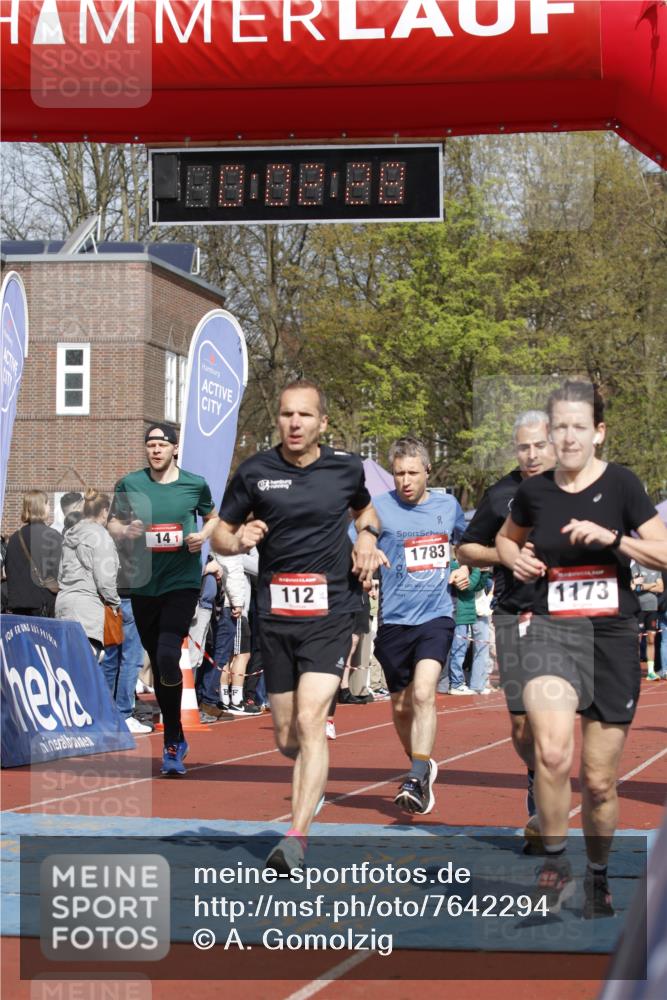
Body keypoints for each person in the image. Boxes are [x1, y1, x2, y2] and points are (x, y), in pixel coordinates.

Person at [496, 380, 667, 917]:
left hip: (612, 639)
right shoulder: (534, 491)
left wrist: (614, 540)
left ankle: (597, 874)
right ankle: (554, 863)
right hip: (552, 630)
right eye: (559, 427)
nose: (567, 437)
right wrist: (513, 558)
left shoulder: (623, 486)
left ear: (598, 432)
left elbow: (663, 553)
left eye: (578, 426)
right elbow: (506, 537)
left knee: (597, 781)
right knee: (550, 752)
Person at [213, 380, 387, 872]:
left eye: (305, 416)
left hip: (331, 612)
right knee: (287, 737)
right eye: (287, 414)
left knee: (312, 722)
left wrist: (367, 537)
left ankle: (296, 836)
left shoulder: (346, 468)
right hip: (276, 617)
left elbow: (365, 510)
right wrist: (239, 538)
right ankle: (306, 780)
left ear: (322, 423)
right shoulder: (255, 472)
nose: (294, 423)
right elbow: (221, 536)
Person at [458, 409, 556, 851]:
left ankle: (544, 811)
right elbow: (466, 548)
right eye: (523, 447)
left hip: (567, 618)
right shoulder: (501, 495)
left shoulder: (576, 487)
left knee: (556, 720)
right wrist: (507, 554)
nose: (532, 455)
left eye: (540, 445)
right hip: (513, 613)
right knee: (522, 725)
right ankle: (538, 779)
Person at [107, 423, 219, 776]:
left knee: (169, 653)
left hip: (181, 582)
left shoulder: (194, 484)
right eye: (150, 444)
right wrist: (126, 531)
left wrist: (202, 535)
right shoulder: (130, 483)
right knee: (158, 660)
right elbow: (113, 522)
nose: (155, 449)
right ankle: (177, 733)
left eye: (161, 444)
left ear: (174, 449)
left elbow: (213, 517)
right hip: (143, 584)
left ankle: (171, 741)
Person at [373, 436, 467, 814]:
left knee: (425, 692)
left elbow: (466, 546)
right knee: (400, 708)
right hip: (394, 619)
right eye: (398, 473)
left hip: (436, 614)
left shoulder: (448, 505)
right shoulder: (377, 509)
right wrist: (364, 552)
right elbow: (352, 547)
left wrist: (466, 570)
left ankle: (414, 776)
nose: (405, 481)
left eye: (413, 472)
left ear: (428, 471)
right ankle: (422, 764)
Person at [56, 489, 120, 661]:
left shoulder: (70, 533)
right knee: (85, 666)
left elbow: (61, 574)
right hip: (87, 609)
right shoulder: (101, 536)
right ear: (105, 511)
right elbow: (105, 580)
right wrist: (115, 603)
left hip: (63, 604)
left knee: (67, 665)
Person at [5, 490, 63, 617]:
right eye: (48, 504)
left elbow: (9, 570)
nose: (49, 508)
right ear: (42, 507)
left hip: (18, 606)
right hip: (43, 605)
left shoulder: (14, 538)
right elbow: (57, 573)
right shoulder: (53, 537)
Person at [444, 557, 490, 695]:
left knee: (462, 649)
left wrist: (484, 573)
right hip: (458, 613)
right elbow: (468, 585)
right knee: (457, 650)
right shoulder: (453, 564)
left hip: (467, 613)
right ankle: (456, 683)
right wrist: (476, 568)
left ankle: (462, 682)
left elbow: (478, 586)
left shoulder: (468, 567)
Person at [631, 560, 664, 679]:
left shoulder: (656, 567)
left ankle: (650, 672)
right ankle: (635, 670)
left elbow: (661, 588)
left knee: (651, 639)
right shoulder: (636, 566)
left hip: (652, 609)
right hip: (639, 608)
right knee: (637, 640)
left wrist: (645, 586)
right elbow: (635, 587)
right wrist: (652, 585)